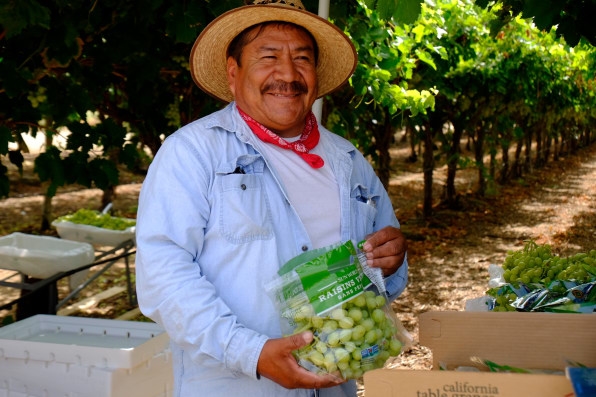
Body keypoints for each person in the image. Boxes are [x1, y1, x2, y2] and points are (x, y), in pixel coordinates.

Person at [135, 1, 408, 396]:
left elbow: (383, 274)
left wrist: (392, 260)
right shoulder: (194, 153)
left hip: (335, 384)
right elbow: (163, 275)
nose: (288, 74)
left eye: (302, 59)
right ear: (233, 73)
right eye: (268, 57)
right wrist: (252, 352)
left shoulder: (347, 161)